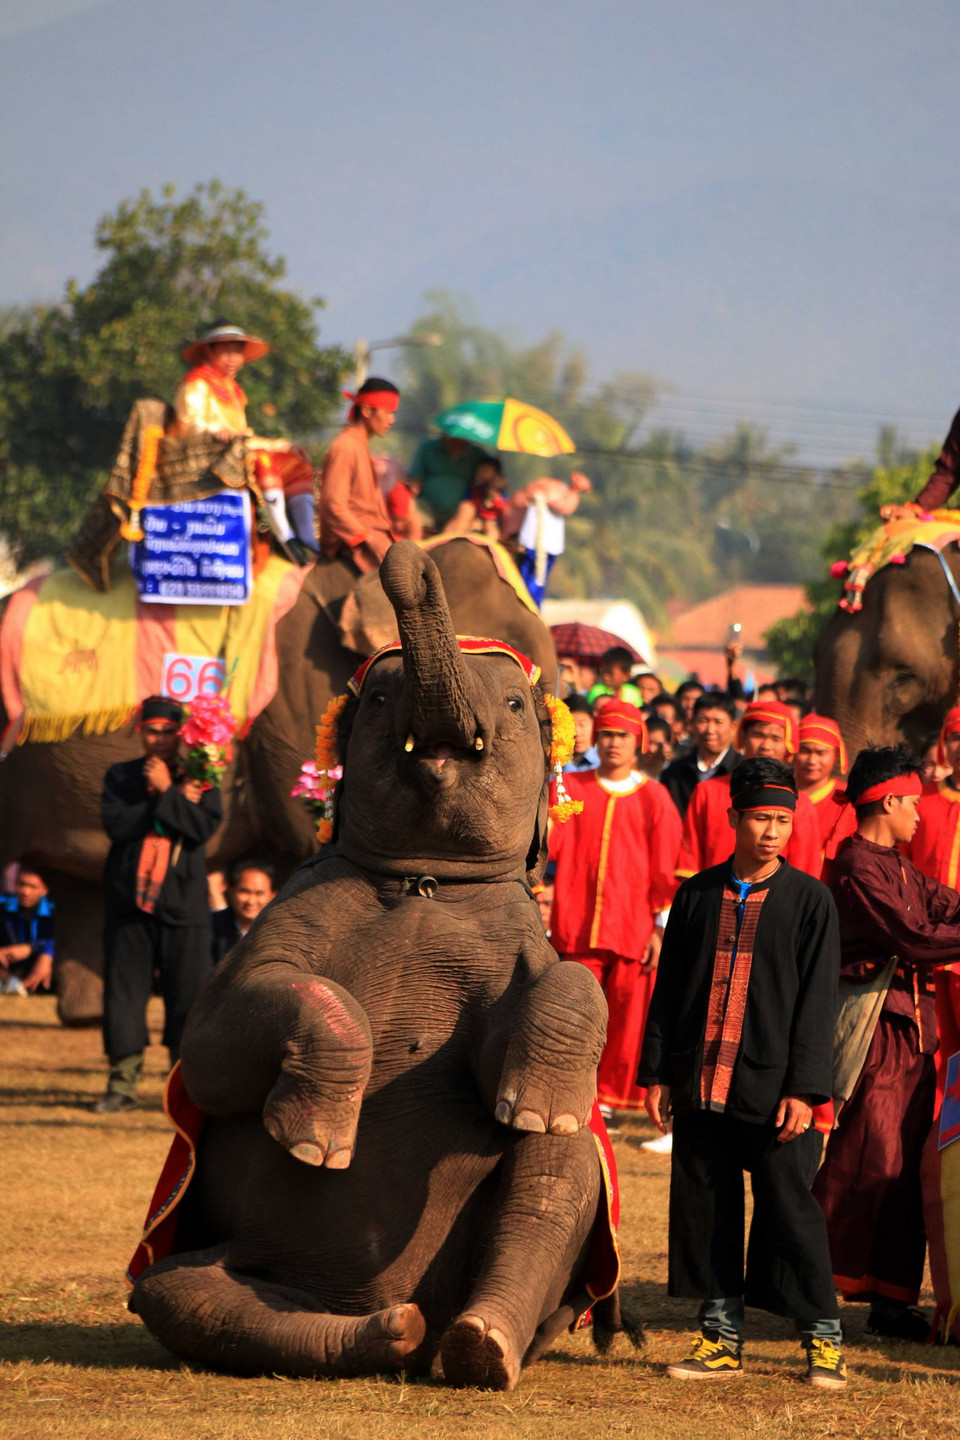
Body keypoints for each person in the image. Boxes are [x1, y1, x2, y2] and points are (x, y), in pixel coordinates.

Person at [639, 757, 845, 1387]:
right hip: (701, 1079)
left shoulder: (811, 900)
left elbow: (818, 1003)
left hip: (776, 1086)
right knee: (708, 1206)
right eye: (760, 818)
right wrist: (658, 1073)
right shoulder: (695, 895)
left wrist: (805, 1090)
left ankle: (823, 1341)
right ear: (733, 818)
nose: (772, 831)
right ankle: (720, 1340)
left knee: (790, 1210)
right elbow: (669, 991)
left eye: (783, 819)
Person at [813, 745, 960, 1341]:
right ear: (890, 801)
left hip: (914, 1033)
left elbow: (945, 904)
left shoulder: (897, 865)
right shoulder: (857, 867)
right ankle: (810, 1284)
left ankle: (892, 1301)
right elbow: (915, 938)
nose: (920, 815)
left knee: (903, 1171)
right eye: (914, 804)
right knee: (864, 1160)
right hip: (874, 1033)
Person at [548, 699, 682, 1119]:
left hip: (633, 927)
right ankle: (568, 1088)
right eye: (606, 734)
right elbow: (548, 844)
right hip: (577, 921)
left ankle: (608, 1098)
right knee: (573, 1011)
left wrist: (660, 928)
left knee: (627, 1018)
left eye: (622, 735)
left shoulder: (656, 797)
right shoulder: (570, 787)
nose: (613, 743)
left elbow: (665, 868)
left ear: (638, 741)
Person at [95, 696, 222, 1112]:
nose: (160, 739)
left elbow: (201, 829)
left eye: (169, 732)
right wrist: (166, 802)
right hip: (129, 904)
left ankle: (183, 1091)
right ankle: (121, 1086)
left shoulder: (202, 777)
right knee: (123, 997)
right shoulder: (120, 775)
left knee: (187, 999)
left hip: (184, 907)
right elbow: (117, 825)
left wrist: (169, 790)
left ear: (181, 734)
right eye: (152, 731)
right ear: (141, 732)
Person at [173, 320, 315, 548]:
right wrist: (214, 432)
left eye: (237, 352)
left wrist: (282, 445)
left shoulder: (232, 389)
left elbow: (244, 436)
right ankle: (285, 536)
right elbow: (187, 425)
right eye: (226, 351)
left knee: (297, 462)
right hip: (208, 456)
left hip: (238, 452)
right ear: (210, 352)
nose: (233, 358)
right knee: (264, 460)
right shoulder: (196, 383)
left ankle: (308, 536)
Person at [679, 701, 821, 879]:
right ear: (742, 737)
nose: (766, 745)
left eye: (775, 738)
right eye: (758, 735)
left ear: (787, 745)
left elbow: (805, 873)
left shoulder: (800, 804)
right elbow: (690, 862)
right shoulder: (706, 792)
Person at [316, 378, 400, 572]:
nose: (392, 420)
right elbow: (333, 505)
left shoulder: (358, 445)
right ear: (367, 411)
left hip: (373, 537)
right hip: (353, 545)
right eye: (388, 412)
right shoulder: (345, 447)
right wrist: (368, 538)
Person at [502, 471, 592, 607]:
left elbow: (564, 508)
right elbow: (518, 501)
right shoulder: (549, 488)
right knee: (525, 582)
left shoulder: (568, 496)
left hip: (546, 547)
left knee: (536, 582)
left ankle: (528, 609)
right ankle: (521, 608)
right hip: (531, 544)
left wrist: (573, 491)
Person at [660, 692, 739, 819]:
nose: (710, 730)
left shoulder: (742, 772)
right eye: (703, 721)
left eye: (718, 722)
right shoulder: (674, 774)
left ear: (733, 727)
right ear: (692, 724)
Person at [794, 714, 853, 857]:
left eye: (821, 753)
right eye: (805, 751)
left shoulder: (846, 799)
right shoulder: (779, 792)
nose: (812, 760)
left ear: (835, 756)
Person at [408, 432, 489, 531]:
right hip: (427, 507)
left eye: (459, 437)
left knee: (467, 511)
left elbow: (490, 478)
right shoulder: (427, 448)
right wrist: (411, 495)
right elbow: (415, 481)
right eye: (451, 436)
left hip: (460, 512)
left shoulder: (478, 455)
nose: (455, 440)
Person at [211, 858, 277, 965]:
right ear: (231, 890)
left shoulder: (278, 932)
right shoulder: (211, 927)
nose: (251, 901)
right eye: (245, 892)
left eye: (259, 893)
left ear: (272, 895)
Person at [0, 866, 54, 994]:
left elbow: (61, 940)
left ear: (44, 889)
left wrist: (32, 949)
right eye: (21, 884)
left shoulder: (55, 911)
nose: (25, 892)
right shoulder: (3, 907)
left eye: (32, 887)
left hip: (42, 965)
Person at [444, 455, 509, 540]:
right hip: (473, 518)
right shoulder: (474, 488)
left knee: (492, 531)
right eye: (480, 469)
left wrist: (493, 497)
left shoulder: (499, 492)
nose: (481, 472)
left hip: (491, 520)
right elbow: (467, 505)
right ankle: (447, 540)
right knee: (460, 520)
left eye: (485, 470)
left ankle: (487, 546)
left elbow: (500, 507)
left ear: (495, 474)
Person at [561, 695, 599, 772]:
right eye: (570, 726)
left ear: (594, 724)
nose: (577, 733)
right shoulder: (553, 762)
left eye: (582, 725)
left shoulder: (602, 763)